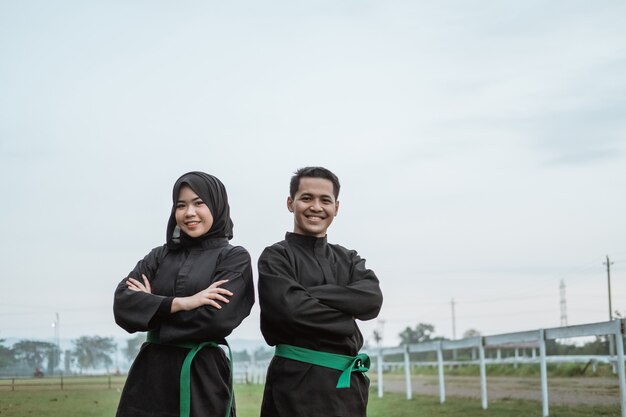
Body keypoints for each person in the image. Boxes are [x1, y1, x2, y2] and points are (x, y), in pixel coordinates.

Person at [113, 171, 254, 417]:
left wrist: (152, 309)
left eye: (199, 203)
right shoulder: (159, 256)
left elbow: (217, 319)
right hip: (149, 378)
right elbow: (123, 305)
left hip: (203, 376)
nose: (189, 213)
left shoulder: (234, 258)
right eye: (181, 205)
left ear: (217, 205)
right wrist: (184, 303)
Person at [257, 166, 383, 417]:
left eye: (325, 200)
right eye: (306, 198)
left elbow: (371, 300)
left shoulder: (348, 258)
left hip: (347, 390)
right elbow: (289, 310)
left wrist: (308, 293)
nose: (316, 207)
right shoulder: (276, 257)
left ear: (336, 207)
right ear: (290, 203)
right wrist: (347, 318)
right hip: (294, 385)